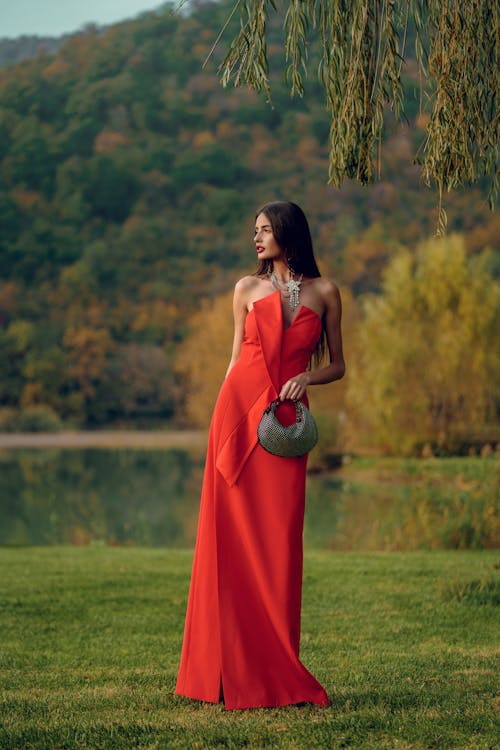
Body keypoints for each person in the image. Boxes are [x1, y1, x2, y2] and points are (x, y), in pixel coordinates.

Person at [175, 201, 345, 710]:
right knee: (228, 545)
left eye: (266, 231)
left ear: (288, 234)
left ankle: (277, 665)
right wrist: (222, 425)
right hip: (236, 417)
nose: (257, 239)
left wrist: (306, 378)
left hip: (286, 427)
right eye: (255, 231)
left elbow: (338, 365)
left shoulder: (325, 292)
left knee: (279, 544)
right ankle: (224, 672)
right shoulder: (245, 290)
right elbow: (233, 362)